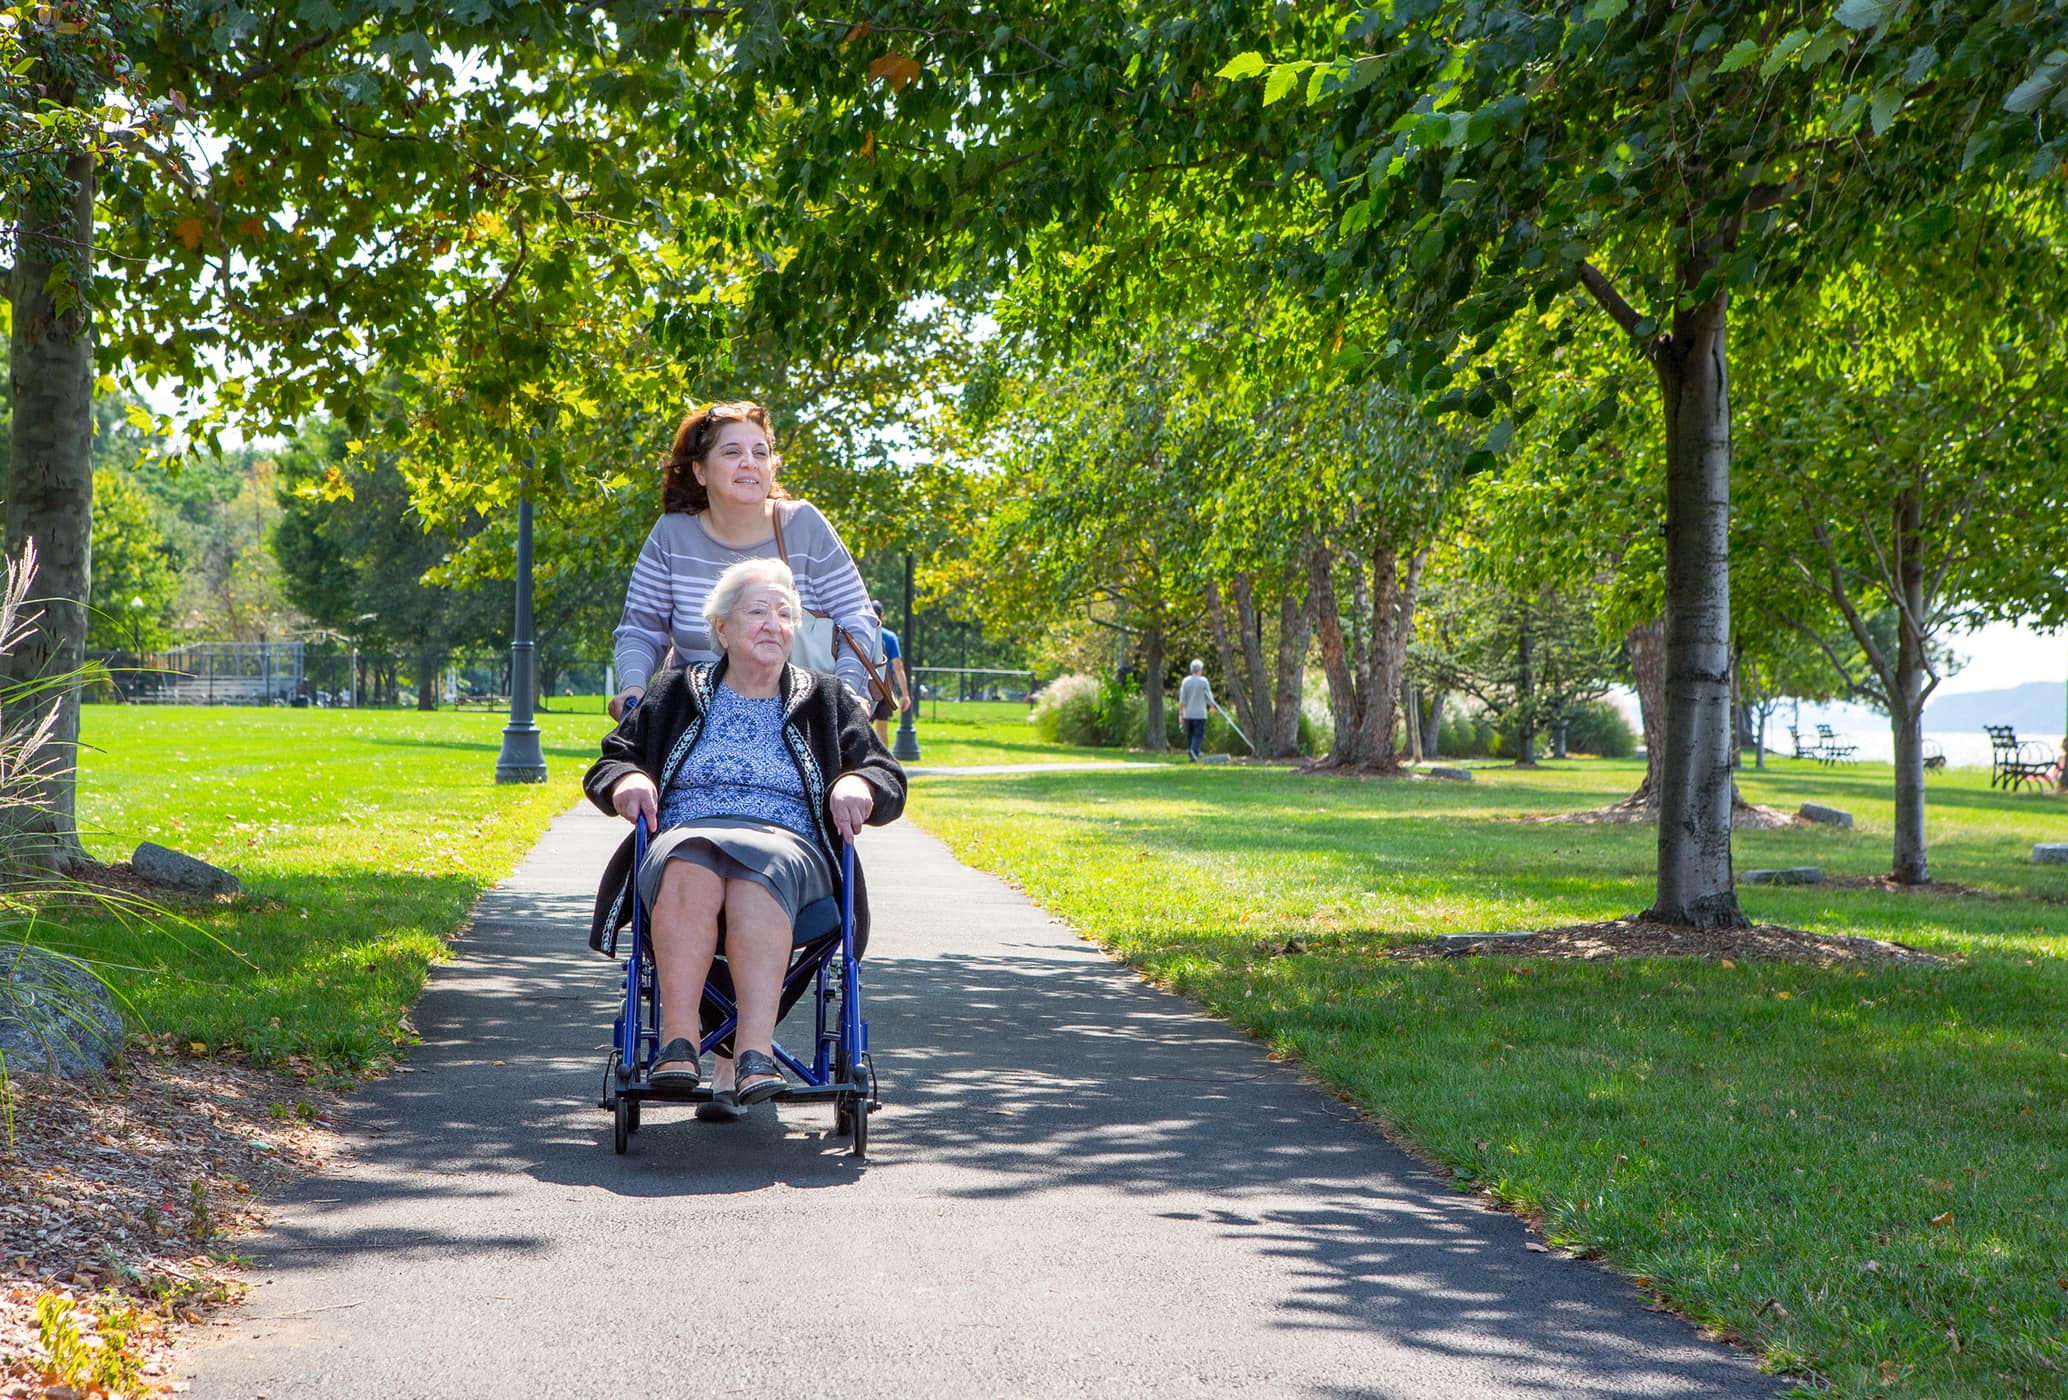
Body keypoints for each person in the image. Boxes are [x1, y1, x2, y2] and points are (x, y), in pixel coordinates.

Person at [587, 558, 906, 1118]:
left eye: (785, 614)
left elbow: (886, 777)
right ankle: (678, 1046)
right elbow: (614, 760)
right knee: (689, 859)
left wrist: (857, 781)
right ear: (722, 628)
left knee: (759, 869)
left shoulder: (825, 698)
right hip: (686, 837)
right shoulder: (677, 691)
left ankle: (756, 1056)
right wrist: (631, 778)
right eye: (757, 611)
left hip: (788, 848)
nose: (773, 624)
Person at [609, 400, 877, 722]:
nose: (749, 462)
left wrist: (846, 697)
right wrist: (634, 688)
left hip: (801, 720)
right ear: (700, 471)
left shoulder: (804, 525)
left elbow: (856, 620)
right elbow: (641, 628)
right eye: (732, 452)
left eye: (760, 453)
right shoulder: (672, 533)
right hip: (695, 720)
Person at [869, 600, 913, 743]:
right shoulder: (889, 637)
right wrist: (905, 694)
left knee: (861, 726)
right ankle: (883, 763)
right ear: (882, 616)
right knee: (882, 729)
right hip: (884, 685)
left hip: (865, 683)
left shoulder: (860, 634)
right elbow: (898, 667)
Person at [1178, 659, 1220, 762]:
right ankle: (1194, 752)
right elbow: (1209, 697)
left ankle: (1192, 752)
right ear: (1200, 670)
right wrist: (1212, 706)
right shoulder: (1203, 681)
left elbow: (1182, 699)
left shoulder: (1185, 681)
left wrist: (1181, 713)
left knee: (1190, 735)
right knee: (1198, 735)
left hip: (1188, 713)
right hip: (1200, 714)